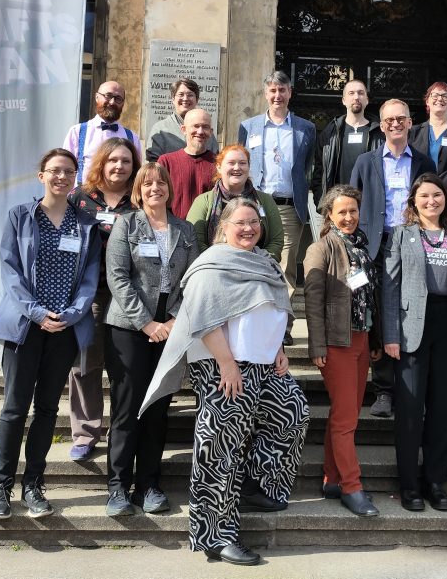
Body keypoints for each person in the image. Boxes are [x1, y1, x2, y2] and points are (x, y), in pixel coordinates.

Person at [140, 198, 309, 566]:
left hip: (265, 362)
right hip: (224, 367)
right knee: (220, 450)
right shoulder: (211, 263)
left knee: (292, 412)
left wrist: (279, 347)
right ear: (224, 226)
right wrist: (227, 363)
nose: (248, 228)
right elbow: (204, 315)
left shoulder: (263, 262)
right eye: (240, 222)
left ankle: (254, 485)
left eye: (254, 222)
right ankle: (216, 536)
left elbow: (277, 306)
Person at [0, 149, 101, 520]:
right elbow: (10, 269)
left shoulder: (85, 222)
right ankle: (0, 487)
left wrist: (71, 314)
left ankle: (33, 483)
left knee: (48, 408)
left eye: (69, 172)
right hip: (25, 326)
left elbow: (90, 276)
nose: (62, 177)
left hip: (65, 329)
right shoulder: (21, 215)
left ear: (76, 178)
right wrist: (36, 313)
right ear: (41, 176)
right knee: (15, 407)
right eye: (55, 171)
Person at [102, 162, 199, 517]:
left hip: (170, 331)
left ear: (169, 188)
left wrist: (173, 319)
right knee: (127, 409)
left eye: (160, 182)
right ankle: (117, 487)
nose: (155, 188)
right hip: (128, 330)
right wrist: (146, 323)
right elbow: (117, 278)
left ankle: (149, 484)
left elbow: (193, 279)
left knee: (157, 408)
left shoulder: (185, 229)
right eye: (147, 183)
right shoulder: (126, 224)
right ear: (138, 190)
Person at [382, 174, 447, 512]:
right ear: (413, 202)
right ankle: (409, 485)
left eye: (437, 195)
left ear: (445, 198)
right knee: (410, 409)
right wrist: (390, 335)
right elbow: (389, 286)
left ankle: (435, 482)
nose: (431, 201)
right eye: (424, 197)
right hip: (410, 328)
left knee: (445, 409)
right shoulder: (401, 235)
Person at [350, 98, 436, 418]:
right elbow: (353, 205)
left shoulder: (425, 163)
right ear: (381, 125)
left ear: (411, 122)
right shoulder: (365, 162)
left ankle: (411, 386)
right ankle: (384, 389)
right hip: (377, 245)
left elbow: (434, 201)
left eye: (401, 119)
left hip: (414, 243)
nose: (395, 124)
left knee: (411, 311)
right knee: (380, 317)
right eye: (389, 120)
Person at [303, 185, 382, 517]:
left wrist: (374, 339)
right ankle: (352, 486)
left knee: (343, 415)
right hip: (336, 343)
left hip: (362, 340)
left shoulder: (361, 246)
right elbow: (312, 301)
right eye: (342, 212)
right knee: (346, 419)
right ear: (329, 215)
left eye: (353, 210)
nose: (349, 217)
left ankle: (332, 478)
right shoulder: (321, 249)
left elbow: (369, 297)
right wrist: (317, 344)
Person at [65, 137, 139, 461]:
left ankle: (122, 431)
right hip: (89, 293)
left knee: (125, 365)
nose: (119, 166)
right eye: (113, 160)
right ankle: (84, 432)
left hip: (128, 294)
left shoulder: (138, 200)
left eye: (125, 161)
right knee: (85, 363)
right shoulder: (79, 198)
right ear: (102, 163)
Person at [238, 70, 317, 346]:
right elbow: (240, 162)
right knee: (253, 260)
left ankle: (282, 325)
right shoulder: (249, 127)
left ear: (290, 93)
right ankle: (252, 320)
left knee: (285, 268)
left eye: (282, 90)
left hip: (287, 206)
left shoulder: (306, 128)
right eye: (272, 91)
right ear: (265, 94)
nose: (277, 96)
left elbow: (309, 166)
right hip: (255, 204)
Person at [186, 144, 283, 260]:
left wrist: (259, 262)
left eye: (242, 163)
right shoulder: (203, 202)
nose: (237, 168)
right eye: (231, 163)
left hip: (259, 268)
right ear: (219, 167)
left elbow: (276, 241)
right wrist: (220, 264)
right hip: (215, 268)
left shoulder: (265, 201)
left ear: (248, 167)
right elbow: (195, 241)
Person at [312, 79, 383, 205]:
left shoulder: (379, 132)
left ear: (367, 99)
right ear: (344, 100)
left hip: (369, 205)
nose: (356, 97)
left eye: (361, 93)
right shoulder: (330, 133)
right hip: (337, 205)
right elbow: (319, 170)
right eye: (351, 93)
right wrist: (322, 200)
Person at [63, 80, 142, 184]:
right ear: (97, 97)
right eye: (108, 96)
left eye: (118, 99)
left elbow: (136, 175)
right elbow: (65, 168)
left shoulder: (132, 138)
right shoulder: (77, 132)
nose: (112, 102)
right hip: (83, 197)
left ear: (123, 104)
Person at [408, 81, 447, 201]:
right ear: (427, 101)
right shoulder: (414, 132)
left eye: (445, 95)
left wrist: (439, 185)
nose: (440, 99)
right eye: (435, 95)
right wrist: (425, 187)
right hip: (422, 194)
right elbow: (410, 163)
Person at [158, 108, 217, 219]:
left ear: (211, 132)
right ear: (184, 129)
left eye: (205, 127)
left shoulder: (219, 164)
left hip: (207, 231)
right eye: (195, 126)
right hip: (174, 229)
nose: (200, 131)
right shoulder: (166, 162)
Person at [146, 78, 219, 161]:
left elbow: (216, 161)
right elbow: (152, 166)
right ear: (173, 99)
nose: (185, 99)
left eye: (190, 95)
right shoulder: (160, 129)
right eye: (181, 94)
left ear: (197, 99)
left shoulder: (205, 131)